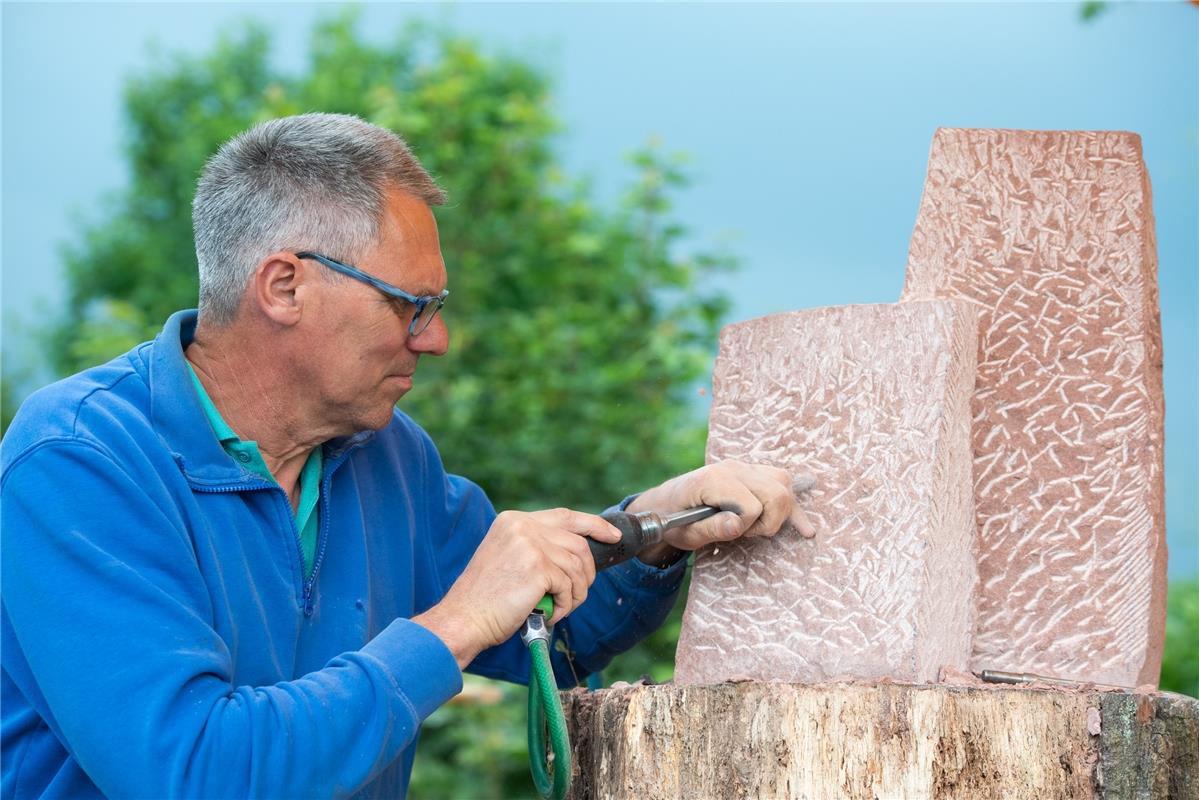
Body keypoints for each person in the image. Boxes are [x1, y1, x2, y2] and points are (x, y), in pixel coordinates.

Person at [1, 113, 813, 798]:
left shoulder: (387, 455)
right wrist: (454, 624)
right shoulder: (78, 465)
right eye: (411, 306)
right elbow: (191, 770)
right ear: (283, 286)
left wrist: (660, 524)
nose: (436, 339)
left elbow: (548, 626)